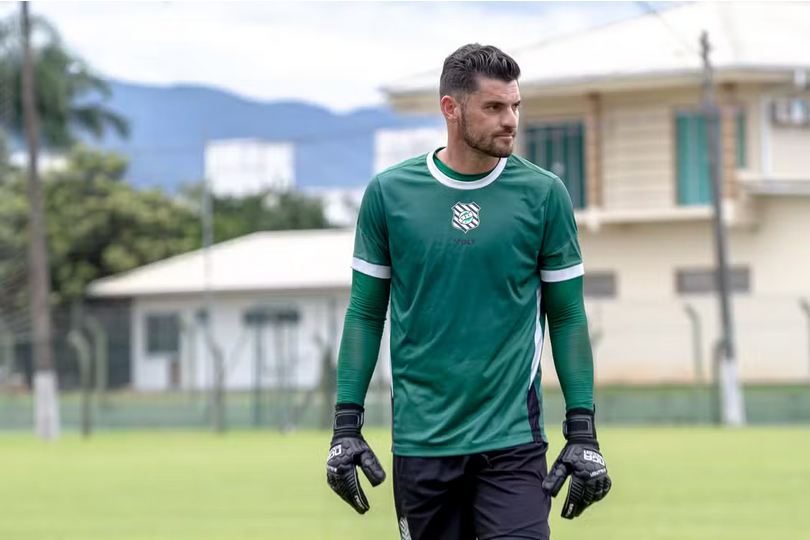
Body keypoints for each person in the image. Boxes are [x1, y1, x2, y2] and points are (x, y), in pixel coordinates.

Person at [326, 43, 611, 540]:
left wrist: (582, 431)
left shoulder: (544, 195)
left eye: (516, 106)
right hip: (421, 443)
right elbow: (365, 313)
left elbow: (567, 316)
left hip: (512, 443)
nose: (511, 120)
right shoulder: (390, 195)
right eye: (494, 107)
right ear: (450, 109)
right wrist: (345, 426)